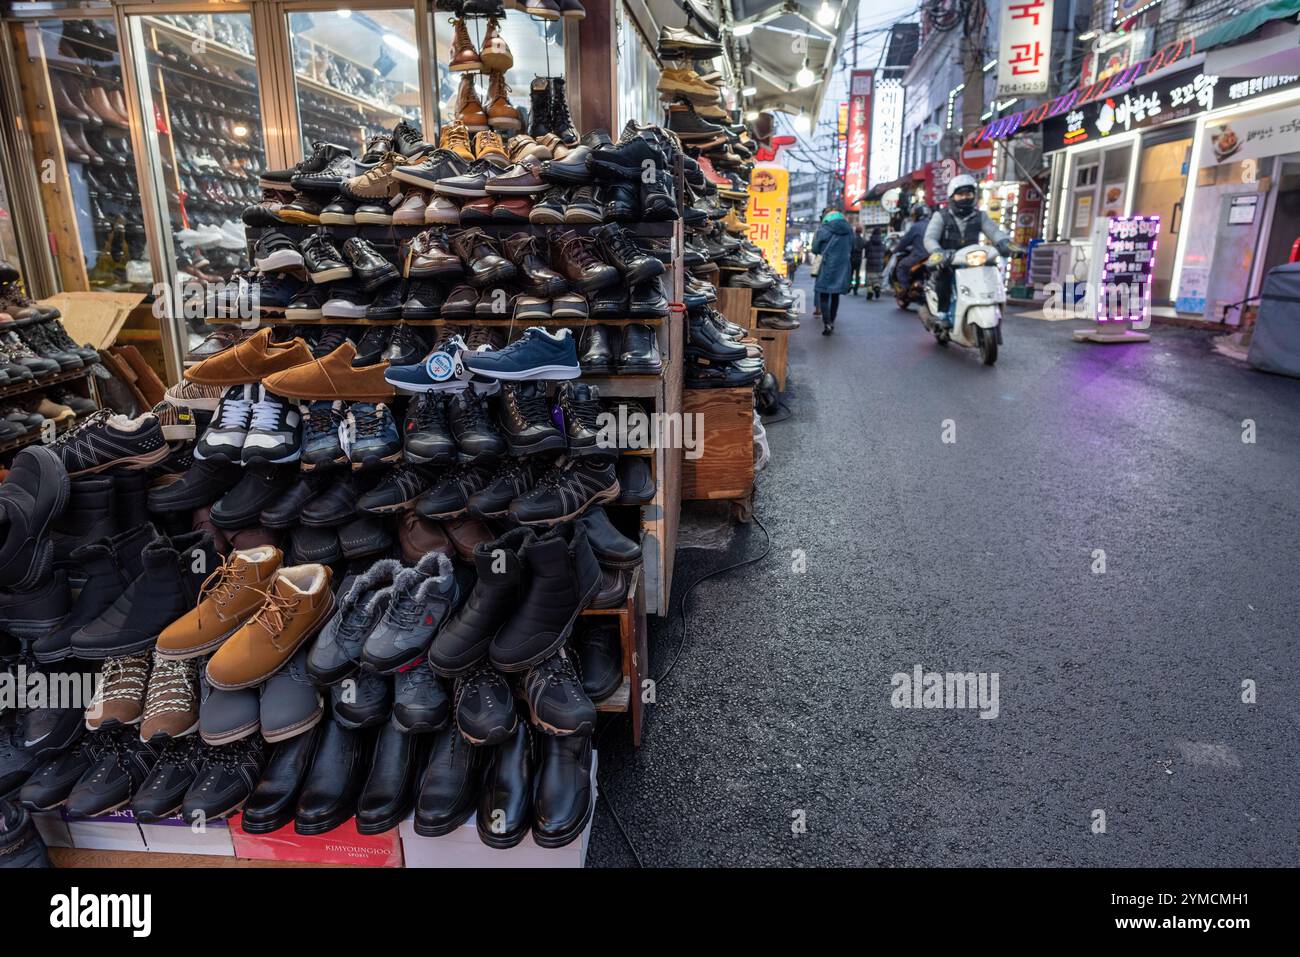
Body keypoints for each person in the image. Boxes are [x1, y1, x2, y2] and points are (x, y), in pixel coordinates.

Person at [922, 174, 1015, 324]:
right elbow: (930, 238)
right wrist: (938, 251)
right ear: (952, 196)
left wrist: (1005, 242)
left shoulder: (980, 216)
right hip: (949, 259)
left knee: (991, 268)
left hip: (974, 259)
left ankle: (991, 301)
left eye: (968, 193)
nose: (965, 197)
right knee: (944, 278)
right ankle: (943, 312)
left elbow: (994, 232)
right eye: (960, 194)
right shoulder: (941, 216)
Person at [811, 207, 854, 335]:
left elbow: (815, 249)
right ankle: (832, 321)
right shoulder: (849, 230)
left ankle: (827, 323)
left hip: (826, 265)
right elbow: (852, 246)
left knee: (824, 294)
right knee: (835, 294)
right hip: (842, 266)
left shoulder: (823, 229)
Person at [893, 204, 931, 287]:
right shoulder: (933, 224)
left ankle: (905, 289)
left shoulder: (915, 227)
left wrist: (896, 250)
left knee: (901, 267)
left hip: (920, 256)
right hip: (933, 256)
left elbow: (904, 242)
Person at [864, 227, 886, 296]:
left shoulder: (869, 242)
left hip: (870, 262)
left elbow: (866, 250)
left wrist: (867, 256)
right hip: (879, 263)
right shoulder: (882, 243)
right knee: (878, 277)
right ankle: (877, 286)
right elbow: (884, 251)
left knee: (869, 278)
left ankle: (870, 290)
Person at [849, 226, 867, 294]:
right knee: (857, 273)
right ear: (861, 232)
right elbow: (865, 246)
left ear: (855, 231)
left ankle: (849, 285)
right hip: (859, 258)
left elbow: (850, 247)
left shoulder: (852, 239)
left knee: (850, 273)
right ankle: (856, 289)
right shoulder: (862, 240)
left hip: (852, 257)